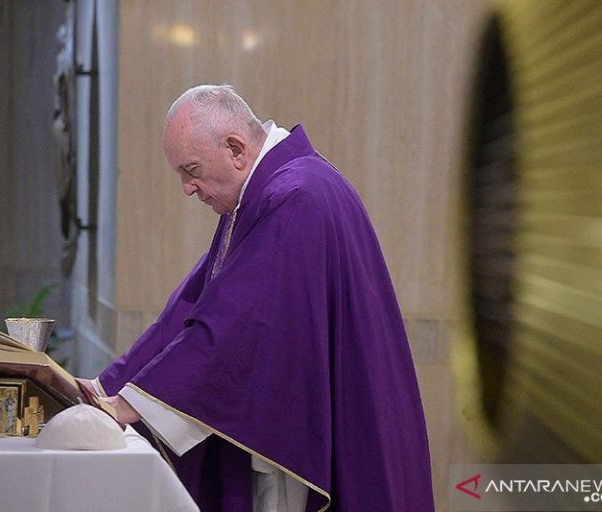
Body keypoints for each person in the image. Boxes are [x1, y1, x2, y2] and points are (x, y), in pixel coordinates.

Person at [88, 85, 434, 511]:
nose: (187, 188)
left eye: (191, 170)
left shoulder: (296, 197)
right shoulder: (265, 194)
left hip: (333, 423)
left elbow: (235, 329)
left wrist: (127, 405)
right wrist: (107, 388)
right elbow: (194, 309)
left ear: (235, 148)